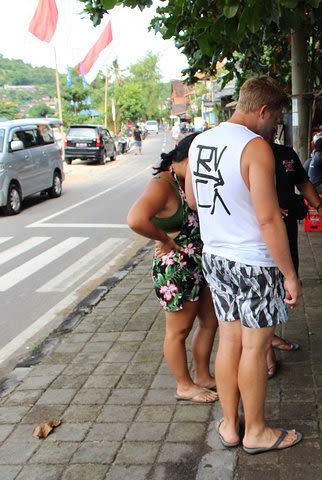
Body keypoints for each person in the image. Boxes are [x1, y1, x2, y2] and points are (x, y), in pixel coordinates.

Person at [185, 75, 303, 454]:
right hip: (253, 262)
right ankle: (255, 431)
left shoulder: (200, 141)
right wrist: (289, 274)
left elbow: (192, 199)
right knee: (255, 347)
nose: (276, 126)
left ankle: (229, 425)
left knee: (229, 340)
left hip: (215, 256)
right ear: (263, 110)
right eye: (276, 118)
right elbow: (269, 220)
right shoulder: (255, 147)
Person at [126, 132, 218, 404]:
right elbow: (135, 219)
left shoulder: (184, 180)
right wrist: (163, 238)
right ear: (190, 157)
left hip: (198, 265)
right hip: (175, 270)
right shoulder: (163, 184)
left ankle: (202, 376)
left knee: (210, 322)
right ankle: (184, 385)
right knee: (178, 331)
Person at [266, 136, 322, 378]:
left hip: (287, 230)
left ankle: (269, 334)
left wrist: (319, 206)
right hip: (259, 234)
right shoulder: (245, 151)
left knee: (282, 285)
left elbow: (303, 182)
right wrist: (263, 207)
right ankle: (266, 348)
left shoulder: (286, 153)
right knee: (266, 285)